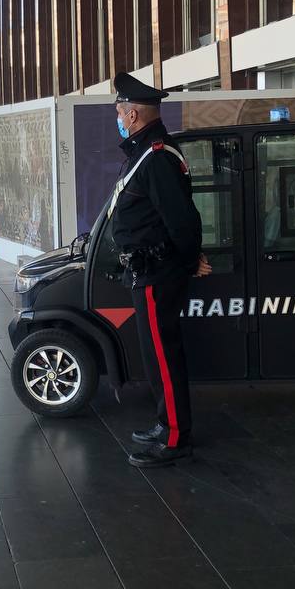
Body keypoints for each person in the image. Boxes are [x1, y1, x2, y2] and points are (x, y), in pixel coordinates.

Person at [109, 72, 211, 467]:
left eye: (120, 111)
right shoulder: (145, 152)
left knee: (163, 358)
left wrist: (188, 260)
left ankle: (174, 438)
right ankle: (166, 422)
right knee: (156, 357)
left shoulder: (156, 156)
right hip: (148, 270)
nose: (118, 117)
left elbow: (182, 219)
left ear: (133, 114)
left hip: (157, 271)